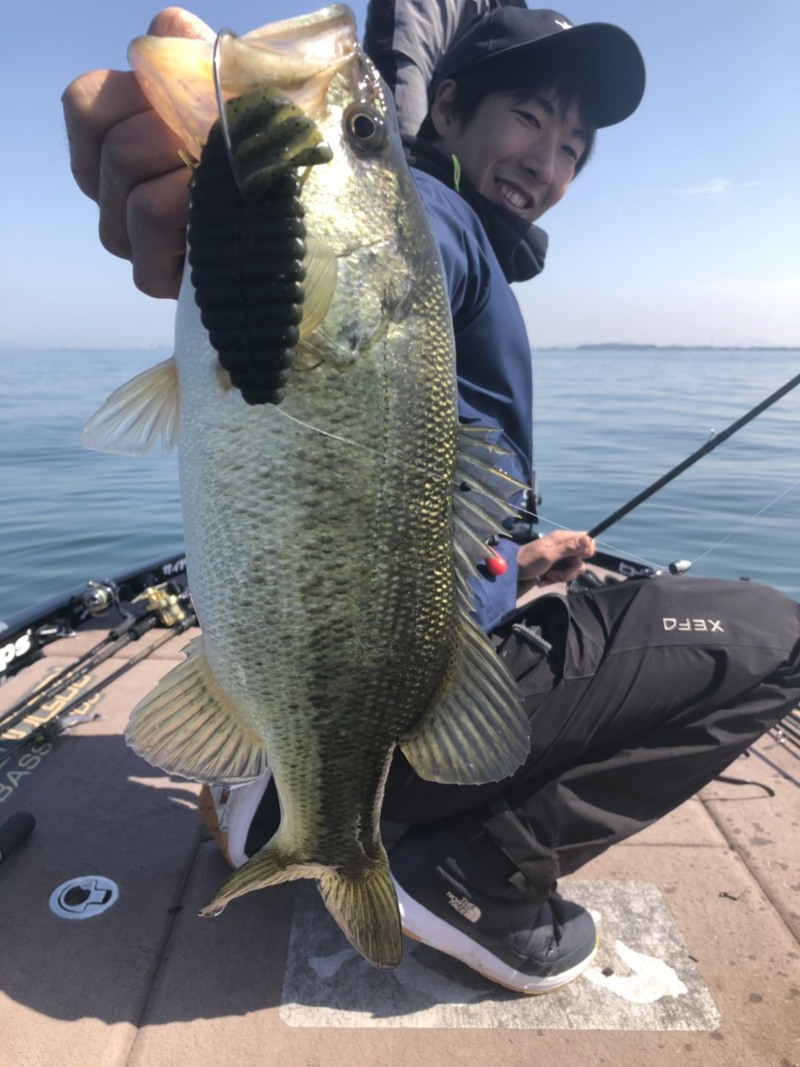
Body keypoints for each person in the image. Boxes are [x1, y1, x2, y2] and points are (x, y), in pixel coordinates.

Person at [62, 4, 800, 995]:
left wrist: (517, 562)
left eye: (573, 146)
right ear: (444, 111)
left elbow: (404, 514)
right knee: (777, 635)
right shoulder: (428, 223)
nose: (547, 161)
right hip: (396, 715)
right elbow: (390, 252)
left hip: (331, 707)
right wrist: (260, 217)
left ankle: (282, 794)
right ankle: (473, 878)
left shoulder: (458, 250)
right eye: (528, 116)